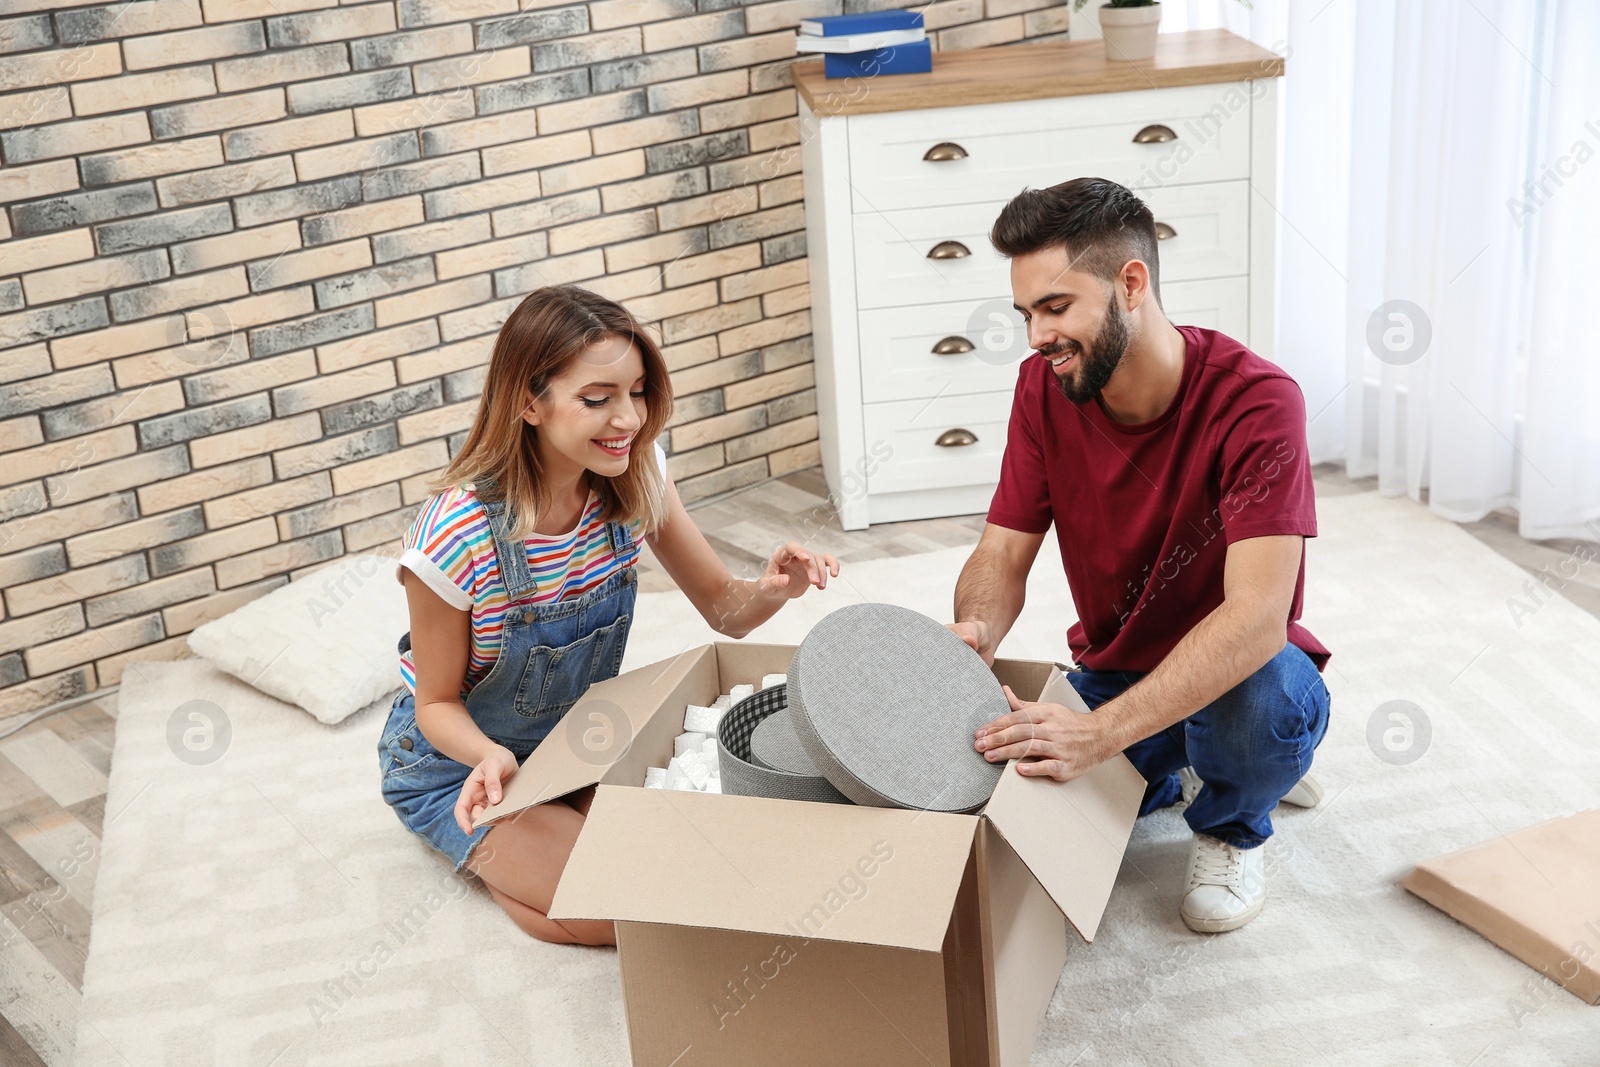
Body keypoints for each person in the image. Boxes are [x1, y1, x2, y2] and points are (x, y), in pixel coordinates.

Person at [378, 284, 840, 946]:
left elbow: (725, 610)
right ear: (528, 403)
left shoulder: (635, 474)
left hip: (575, 744)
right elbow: (436, 704)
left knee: (687, 865)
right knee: (632, 912)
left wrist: (777, 587)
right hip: (460, 764)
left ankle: (531, 858)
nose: (628, 418)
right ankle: (505, 861)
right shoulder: (454, 533)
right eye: (597, 399)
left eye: (638, 391)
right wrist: (489, 756)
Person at [948, 178, 1331, 934]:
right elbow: (1001, 551)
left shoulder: (1258, 400)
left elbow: (1257, 617)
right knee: (1015, 759)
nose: (1034, 337)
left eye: (1055, 308)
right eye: (1026, 314)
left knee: (1261, 709)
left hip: (1247, 672)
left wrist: (1099, 735)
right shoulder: (1042, 389)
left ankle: (1233, 818)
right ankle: (1194, 758)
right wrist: (973, 632)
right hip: (1120, 671)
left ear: (1131, 283)